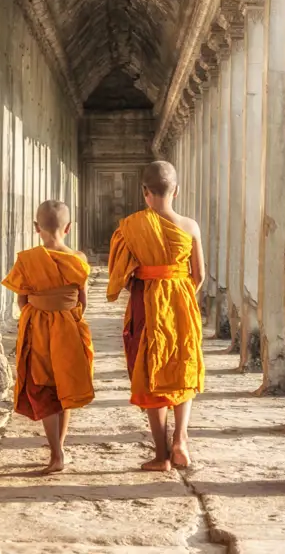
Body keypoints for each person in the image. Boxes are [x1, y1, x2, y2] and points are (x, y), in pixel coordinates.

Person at [107, 161, 206, 472]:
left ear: (144, 192)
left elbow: (119, 276)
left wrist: (148, 283)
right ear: (176, 190)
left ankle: (161, 455)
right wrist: (180, 293)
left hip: (146, 303)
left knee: (149, 369)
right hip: (182, 302)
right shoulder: (190, 227)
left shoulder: (130, 228)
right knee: (183, 365)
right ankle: (181, 439)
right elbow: (200, 274)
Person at [1, 200, 95, 475]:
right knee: (64, 386)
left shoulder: (27, 260)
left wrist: (39, 314)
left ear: (35, 227)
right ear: (68, 228)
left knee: (44, 387)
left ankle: (55, 452)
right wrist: (65, 316)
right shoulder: (78, 259)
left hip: (39, 330)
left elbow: (21, 301)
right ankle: (61, 447)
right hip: (68, 330)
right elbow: (82, 301)